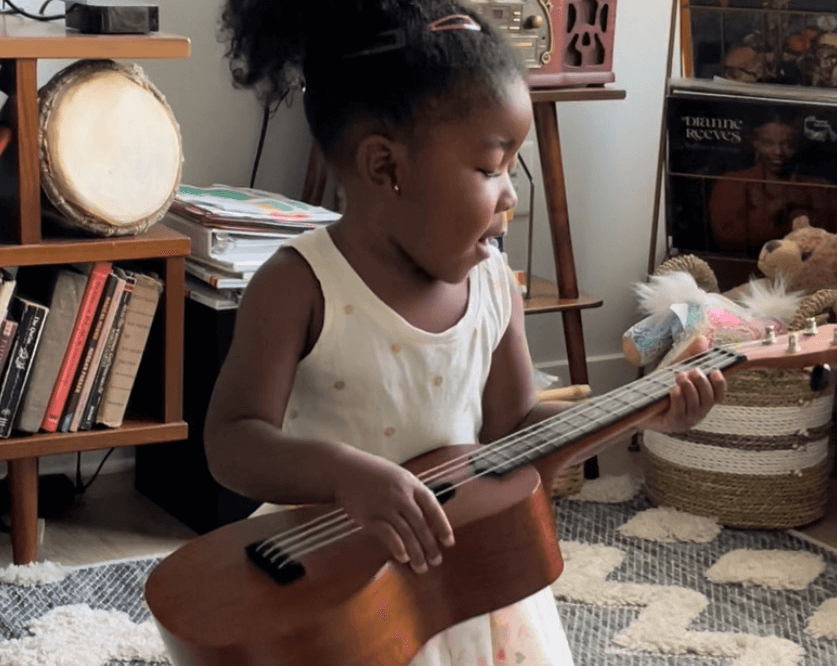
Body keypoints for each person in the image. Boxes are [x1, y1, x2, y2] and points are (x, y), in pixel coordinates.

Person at [206, 1, 726, 664]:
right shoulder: (300, 284)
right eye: (488, 168)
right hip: (331, 583)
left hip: (464, 579)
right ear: (384, 167)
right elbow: (231, 443)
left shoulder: (492, 287)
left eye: (512, 167)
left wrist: (643, 413)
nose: (508, 193)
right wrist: (345, 476)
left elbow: (516, 433)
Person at [708, 111, 837, 256]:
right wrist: (776, 205)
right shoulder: (732, 183)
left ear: (798, 145)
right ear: (755, 143)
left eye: (788, 144)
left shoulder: (822, 187)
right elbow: (726, 240)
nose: (778, 152)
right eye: (768, 143)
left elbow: (831, 244)